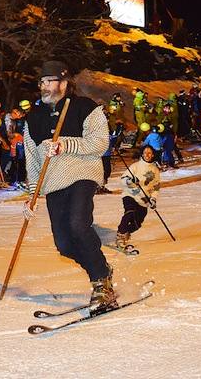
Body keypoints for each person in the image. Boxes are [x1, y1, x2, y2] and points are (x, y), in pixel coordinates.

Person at [22, 60, 117, 312]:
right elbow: (32, 159)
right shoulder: (33, 118)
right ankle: (102, 270)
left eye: (49, 81)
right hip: (53, 182)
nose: (43, 86)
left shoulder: (85, 108)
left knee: (78, 224)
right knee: (64, 245)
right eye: (41, 81)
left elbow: (100, 143)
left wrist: (66, 145)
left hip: (82, 174)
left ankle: (101, 285)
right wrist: (32, 195)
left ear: (64, 83)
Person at [115, 145, 162, 256]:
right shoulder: (135, 166)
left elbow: (156, 187)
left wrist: (153, 199)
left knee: (137, 224)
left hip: (144, 199)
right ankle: (120, 235)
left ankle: (127, 232)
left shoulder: (155, 170)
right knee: (129, 212)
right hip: (130, 194)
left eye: (150, 153)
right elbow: (123, 179)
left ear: (153, 155)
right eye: (145, 152)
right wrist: (131, 180)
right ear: (142, 154)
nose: (147, 155)